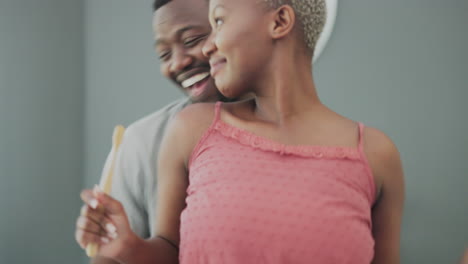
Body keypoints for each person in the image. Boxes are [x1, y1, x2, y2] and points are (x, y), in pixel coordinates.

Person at [77, 0, 405, 263]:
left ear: (279, 22)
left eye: (218, 21)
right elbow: (171, 252)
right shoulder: (192, 131)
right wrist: (127, 248)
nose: (207, 47)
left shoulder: (376, 155)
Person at [74, 0, 234, 263]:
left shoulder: (303, 134)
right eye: (164, 54)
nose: (177, 63)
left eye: (192, 39)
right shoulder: (141, 142)